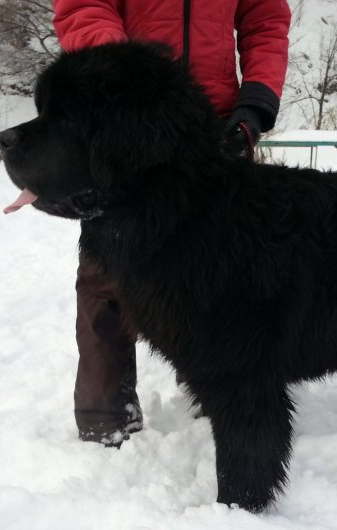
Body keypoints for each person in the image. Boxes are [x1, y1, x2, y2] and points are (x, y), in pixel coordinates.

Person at [51, 0, 292, 447]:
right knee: (109, 278)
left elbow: (265, 19)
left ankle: (219, 391)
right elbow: (83, 7)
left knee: (224, 274)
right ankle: (106, 418)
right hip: (124, 122)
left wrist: (257, 99)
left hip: (214, 127)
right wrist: (128, 72)